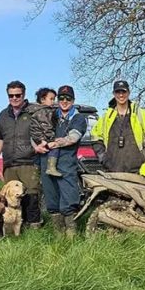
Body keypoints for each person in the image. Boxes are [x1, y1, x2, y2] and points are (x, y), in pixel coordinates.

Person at [0, 80, 43, 227]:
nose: (14, 98)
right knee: (10, 198)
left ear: (24, 94)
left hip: (29, 162)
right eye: (11, 96)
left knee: (31, 195)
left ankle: (34, 228)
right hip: (10, 163)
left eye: (17, 95)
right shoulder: (3, 115)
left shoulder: (34, 112)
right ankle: (12, 228)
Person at [43, 85, 88, 236]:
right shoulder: (51, 115)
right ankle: (58, 235)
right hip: (46, 161)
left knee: (69, 198)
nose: (64, 101)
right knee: (51, 198)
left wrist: (55, 143)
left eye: (68, 98)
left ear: (73, 100)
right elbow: (36, 130)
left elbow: (73, 138)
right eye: (61, 98)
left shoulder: (78, 118)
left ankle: (71, 235)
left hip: (66, 163)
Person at [91, 80, 145, 173]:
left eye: (123, 92)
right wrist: (103, 158)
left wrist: (144, 156)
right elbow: (95, 138)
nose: (121, 95)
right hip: (112, 170)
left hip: (138, 170)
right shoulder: (106, 116)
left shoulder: (141, 114)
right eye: (118, 92)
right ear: (113, 94)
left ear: (129, 93)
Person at [27, 87, 59, 176]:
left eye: (54, 99)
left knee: (38, 159)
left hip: (36, 136)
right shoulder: (45, 111)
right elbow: (46, 126)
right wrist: (51, 139)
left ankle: (36, 170)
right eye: (51, 99)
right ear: (43, 100)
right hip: (43, 137)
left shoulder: (35, 110)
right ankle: (51, 167)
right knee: (55, 148)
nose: (53, 102)